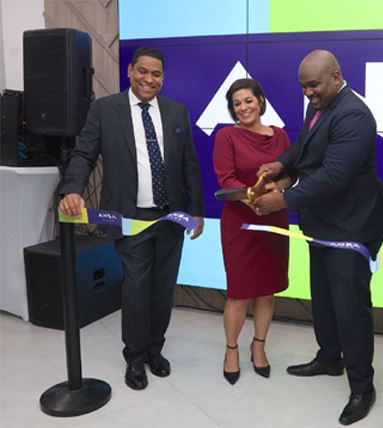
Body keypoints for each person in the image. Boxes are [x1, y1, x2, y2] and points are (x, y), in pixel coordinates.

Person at [252, 50, 383, 425]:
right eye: (303, 87)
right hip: (322, 222)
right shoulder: (322, 105)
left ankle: (362, 386)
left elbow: (333, 176)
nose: (308, 92)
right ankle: (330, 358)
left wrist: (282, 198)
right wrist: (282, 164)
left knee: (351, 308)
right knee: (325, 298)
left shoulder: (354, 115)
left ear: (336, 76)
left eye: (313, 84)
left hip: (352, 225)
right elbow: (305, 144)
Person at [59, 46, 204, 390]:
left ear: (163, 77)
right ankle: (135, 358)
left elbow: (189, 165)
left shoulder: (177, 112)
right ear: (130, 71)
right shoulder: (105, 109)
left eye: (156, 74)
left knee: (163, 287)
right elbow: (84, 153)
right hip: (129, 217)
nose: (149, 79)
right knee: (137, 287)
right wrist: (72, 188)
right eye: (143, 71)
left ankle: (156, 349)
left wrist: (195, 211)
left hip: (170, 218)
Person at [212, 78, 292, 385]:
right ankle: (231, 350)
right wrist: (254, 196)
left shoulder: (280, 135)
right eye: (237, 103)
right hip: (240, 223)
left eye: (248, 100)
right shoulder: (227, 136)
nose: (243, 107)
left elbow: (291, 173)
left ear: (260, 100)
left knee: (266, 290)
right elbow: (226, 180)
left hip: (274, 220)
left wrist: (278, 187)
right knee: (238, 293)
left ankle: (258, 347)